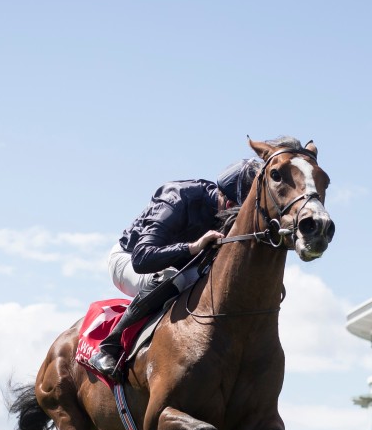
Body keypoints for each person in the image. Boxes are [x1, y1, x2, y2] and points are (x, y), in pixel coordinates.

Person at [87, 158, 261, 380]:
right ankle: (109, 347)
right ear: (226, 201)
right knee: (173, 277)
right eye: (232, 211)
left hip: (181, 267)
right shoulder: (177, 197)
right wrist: (193, 247)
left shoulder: (229, 207)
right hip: (129, 259)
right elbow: (142, 259)